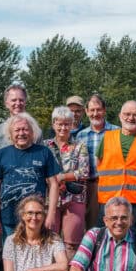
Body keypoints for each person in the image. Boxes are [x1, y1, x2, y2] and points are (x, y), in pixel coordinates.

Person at [0, 83, 32, 271]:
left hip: (30, 202)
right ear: (6, 103)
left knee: (29, 244)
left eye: (21, 100)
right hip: (5, 202)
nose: (17, 103)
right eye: (13, 100)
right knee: (3, 247)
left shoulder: (34, 127)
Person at [0, 112, 60, 244]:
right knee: (11, 255)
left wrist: (51, 214)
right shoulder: (2, 154)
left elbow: (54, 184)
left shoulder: (44, 152)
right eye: (17, 130)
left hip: (36, 218)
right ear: (10, 134)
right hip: (8, 217)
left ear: (33, 132)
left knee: (36, 255)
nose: (21, 133)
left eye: (25, 129)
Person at [96, 101, 136, 237]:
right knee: (106, 237)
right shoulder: (107, 137)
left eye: (135, 115)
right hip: (109, 198)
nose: (131, 118)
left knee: (135, 238)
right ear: (120, 116)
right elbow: (99, 163)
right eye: (127, 114)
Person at [43, 106, 90, 261]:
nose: (63, 127)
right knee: (50, 240)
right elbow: (40, 170)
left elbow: (84, 172)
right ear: (53, 124)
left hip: (74, 198)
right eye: (60, 124)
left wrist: (62, 177)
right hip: (51, 199)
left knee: (72, 243)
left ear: (72, 124)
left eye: (67, 124)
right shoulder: (45, 146)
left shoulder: (79, 145)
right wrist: (53, 182)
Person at [75, 93, 119, 230]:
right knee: (92, 225)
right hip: (91, 185)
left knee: (114, 221)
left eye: (98, 109)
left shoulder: (116, 131)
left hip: (112, 184)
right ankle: (93, 251)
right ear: (87, 112)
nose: (95, 113)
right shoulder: (81, 135)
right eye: (92, 110)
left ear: (104, 110)